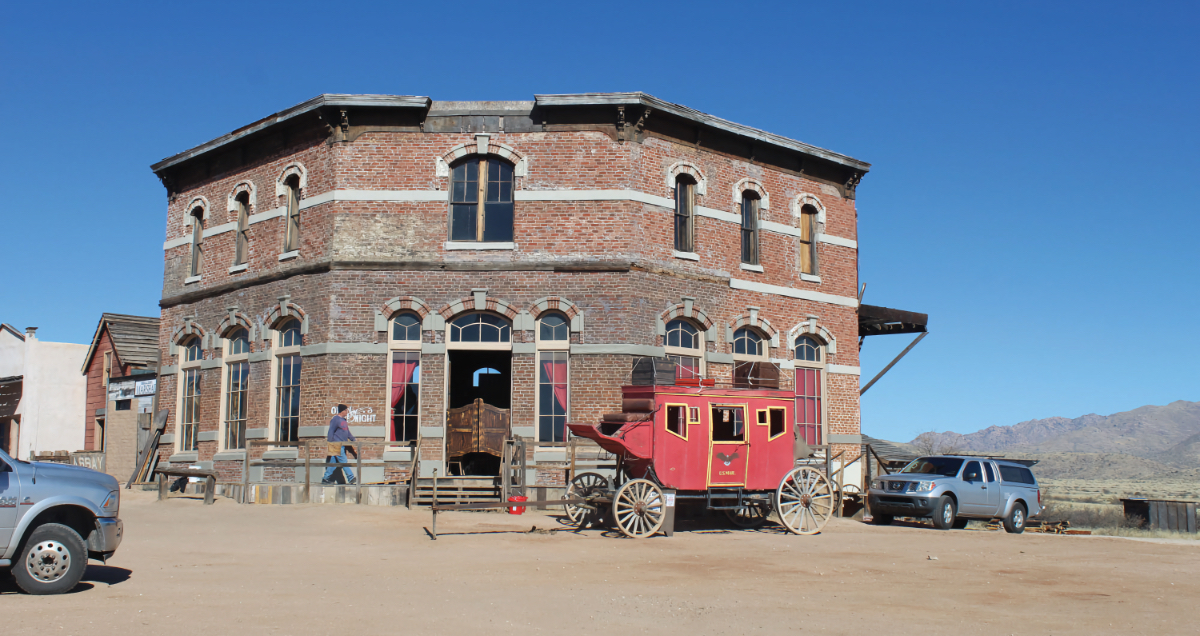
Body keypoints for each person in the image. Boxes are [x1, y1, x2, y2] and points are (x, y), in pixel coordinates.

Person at [322, 404, 357, 485]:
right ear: (342, 411)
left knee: (333, 464)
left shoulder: (344, 421)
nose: (347, 412)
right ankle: (351, 478)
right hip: (336, 444)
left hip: (342, 445)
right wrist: (330, 443)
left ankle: (325, 479)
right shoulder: (335, 419)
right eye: (346, 410)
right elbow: (331, 431)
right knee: (344, 461)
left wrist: (353, 439)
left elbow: (347, 432)